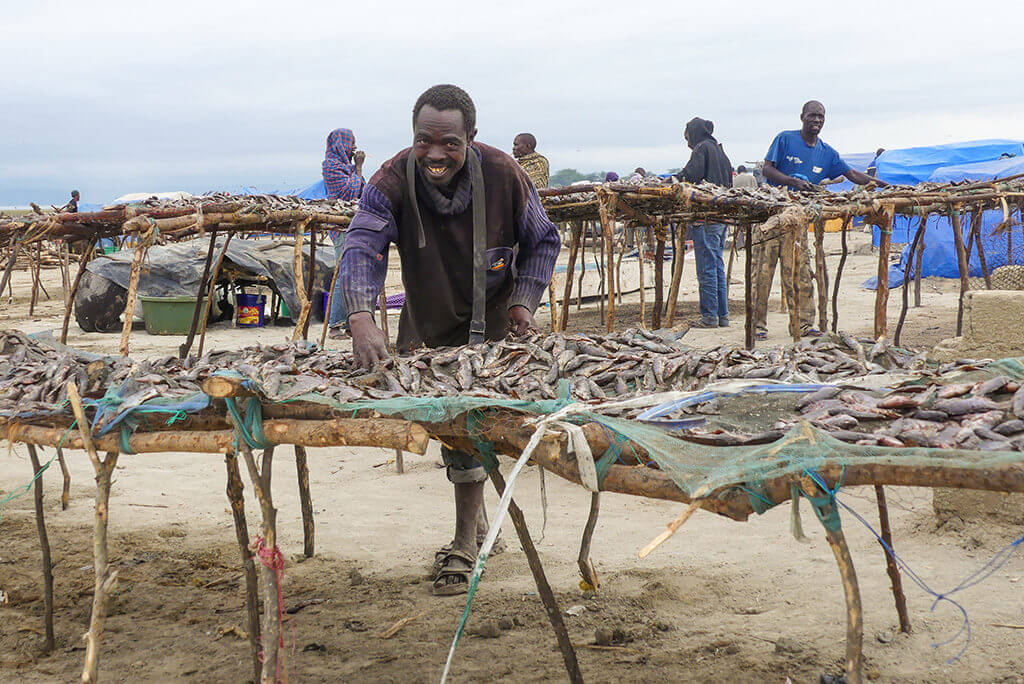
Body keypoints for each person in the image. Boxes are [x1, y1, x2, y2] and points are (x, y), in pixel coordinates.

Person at [339, 84, 560, 596]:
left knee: (472, 427)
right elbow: (361, 246)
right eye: (425, 141)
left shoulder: (506, 174)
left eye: (450, 144)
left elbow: (544, 239)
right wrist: (361, 317)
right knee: (452, 429)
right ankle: (479, 527)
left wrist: (524, 299)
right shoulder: (390, 180)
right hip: (429, 323)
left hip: (498, 322)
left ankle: (465, 542)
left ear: (471, 138)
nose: (436, 154)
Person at [753, 100, 886, 339]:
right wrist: (791, 181)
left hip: (799, 221)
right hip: (772, 215)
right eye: (812, 116)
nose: (817, 120)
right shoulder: (784, 139)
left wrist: (879, 183)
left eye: (821, 117)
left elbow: (851, 173)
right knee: (762, 273)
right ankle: (757, 326)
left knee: (801, 272)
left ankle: (803, 325)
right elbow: (767, 169)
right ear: (802, 116)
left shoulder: (827, 153)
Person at [678, 117, 733, 328]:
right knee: (717, 264)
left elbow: (690, 175)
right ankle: (723, 315)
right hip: (722, 217)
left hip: (706, 217)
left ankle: (709, 316)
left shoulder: (701, 149)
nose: (688, 143)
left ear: (695, 133)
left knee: (707, 268)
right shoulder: (720, 151)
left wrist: (673, 180)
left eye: (688, 138)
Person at [321, 128, 366, 339]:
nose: (354, 148)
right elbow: (348, 192)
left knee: (354, 275)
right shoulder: (331, 166)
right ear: (341, 144)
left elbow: (362, 190)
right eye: (352, 143)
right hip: (341, 229)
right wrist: (358, 167)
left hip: (353, 225)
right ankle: (334, 325)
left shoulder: (347, 168)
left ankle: (350, 324)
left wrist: (357, 170)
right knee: (342, 274)